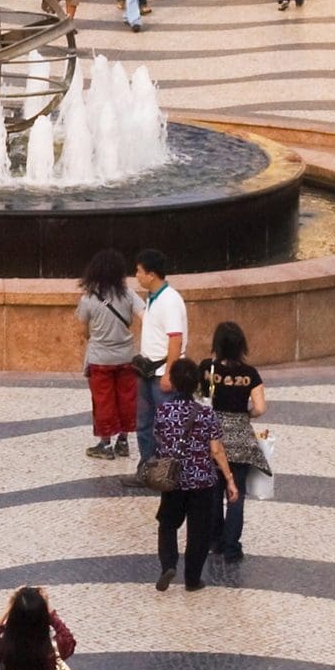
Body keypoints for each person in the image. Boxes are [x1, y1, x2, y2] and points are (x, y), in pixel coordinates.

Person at [147, 352, 227, 592]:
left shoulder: (163, 411)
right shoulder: (206, 413)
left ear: (173, 381)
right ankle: (193, 579)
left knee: (168, 524)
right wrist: (229, 478)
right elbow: (216, 449)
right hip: (202, 480)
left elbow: (158, 440)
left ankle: (168, 565)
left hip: (173, 479)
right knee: (199, 531)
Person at [206, 321, 270, 567]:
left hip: (214, 438)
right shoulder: (250, 374)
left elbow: (201, 399)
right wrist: (246, 415)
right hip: (242, 439)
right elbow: (261, 408)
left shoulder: (207, 369)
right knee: (236, 495)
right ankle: (232, 547)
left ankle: (216, 541)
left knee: (213, 494)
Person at [75, 250, 138, 459]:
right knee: (126, 398)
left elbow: (83, 331)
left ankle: (105, 444)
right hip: (126, 357)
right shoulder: (128, 295)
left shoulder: (88, 299)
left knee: (104, 401)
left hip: (100, 359)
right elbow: (142, 313)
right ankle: (123, 441)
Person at [130, 251, 188, 453]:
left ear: (151, 274)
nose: (136, 275)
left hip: (162, 373)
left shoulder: (170, 300)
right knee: (144, 423)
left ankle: (167, 471)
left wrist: (169, 373)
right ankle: (147, 467)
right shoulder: (152, 298)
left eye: (139, 271)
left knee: (166, 425)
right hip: (147, 371)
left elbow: (175, 339)